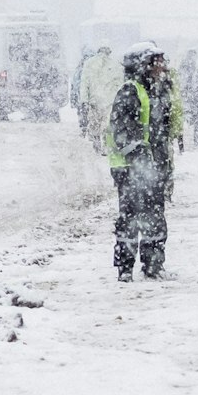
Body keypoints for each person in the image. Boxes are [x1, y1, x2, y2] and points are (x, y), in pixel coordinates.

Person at [107, 42, 173, 281]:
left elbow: (160, 132)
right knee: (131, 218)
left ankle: (153, 265)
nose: (162, 66)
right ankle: (125, 268)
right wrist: (138, 156)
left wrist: (163, 164)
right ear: (142, 65)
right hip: (130, 169)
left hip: (152, 167)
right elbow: (121, 130)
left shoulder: (155, 90)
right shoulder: (130, 90)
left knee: (154, 216)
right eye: (156, 62)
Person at [77, 45, 119, 152]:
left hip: (94, 99)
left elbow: (84, 83)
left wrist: (84, 99)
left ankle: (97, 142)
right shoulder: (114, 64)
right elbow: (117, 84)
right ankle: (105, 144)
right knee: (106, 123)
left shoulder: (89, 63)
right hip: (108, 99)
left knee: (95, 122)